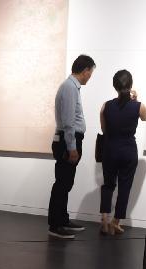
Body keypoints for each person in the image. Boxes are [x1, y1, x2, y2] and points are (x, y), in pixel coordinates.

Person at [48, 54, 96, 240]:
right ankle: (56, 225)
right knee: (62, 183)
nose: (90, 77)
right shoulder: (69, 87)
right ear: (85, 70)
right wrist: (72, 147)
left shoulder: (71, 87)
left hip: (68, 139)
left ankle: (63, 220)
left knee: (65, 182)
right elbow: (68, 122)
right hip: (68, 140)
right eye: (90, 73)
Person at [99, 70, 146, 235]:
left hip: (110, 149)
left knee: (108, 184)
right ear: (130, 85)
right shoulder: (138, 106)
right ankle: (115, 222)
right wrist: (135, 98)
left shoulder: (106, 106)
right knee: (124, 187)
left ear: (115, 86)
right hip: (128, 151)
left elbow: (104, 129)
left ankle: (104, 220)